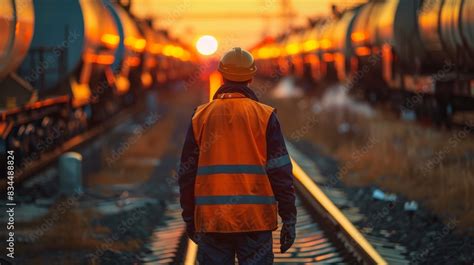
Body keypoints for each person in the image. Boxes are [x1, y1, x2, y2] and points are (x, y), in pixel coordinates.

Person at [178, 47, 296, 265]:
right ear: (251, 78)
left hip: (214, 221)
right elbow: (280, 172)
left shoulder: (201, 116)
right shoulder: (265, 115)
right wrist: (289, 217)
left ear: (221, 75)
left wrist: (189, 217)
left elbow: (186, 173)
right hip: (255, 220)